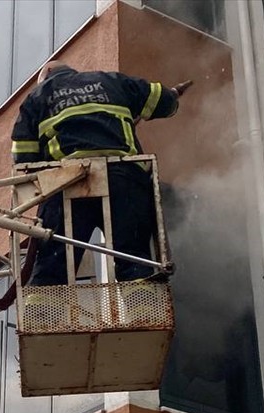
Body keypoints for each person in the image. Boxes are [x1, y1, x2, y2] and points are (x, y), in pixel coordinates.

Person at [11, 61, 190, 286]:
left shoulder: (37, 97)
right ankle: (142, 311)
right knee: (133, 256)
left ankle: (43, 315)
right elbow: (160, 100)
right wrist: (172, 98)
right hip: (123, 181)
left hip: (65, 185)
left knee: (54, 263)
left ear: (46, 76)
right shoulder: (112, 81)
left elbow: (23, 158)